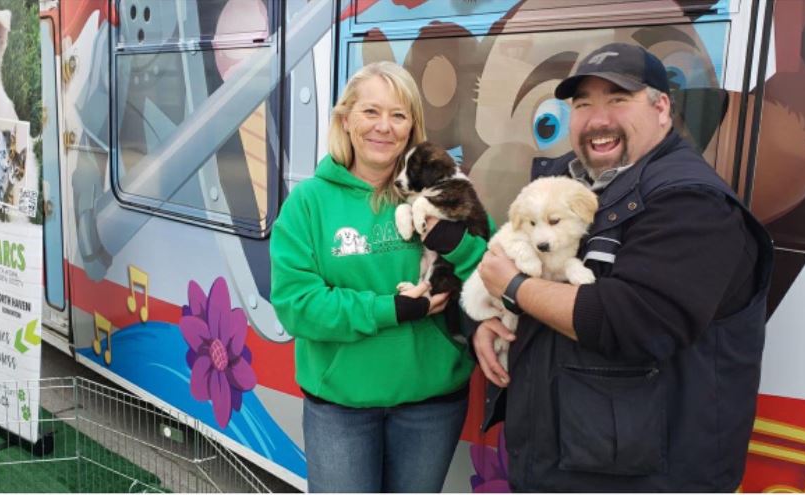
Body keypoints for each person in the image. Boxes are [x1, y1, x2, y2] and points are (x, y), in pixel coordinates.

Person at [469, 43, 774, 492]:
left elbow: (633, 320)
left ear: (662, 108)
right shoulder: (563, 183)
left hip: (641, 475)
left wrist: (513, 288)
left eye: (618, 99)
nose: (598, 119)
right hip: (562, 460)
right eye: (583, 104)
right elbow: (513, 262)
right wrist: (489, 319)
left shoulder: (692, 203)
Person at [270, 61, 487, 493]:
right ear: (345, 119)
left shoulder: (441, 191)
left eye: (398, 115)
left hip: (431, 403)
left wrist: (459, 245)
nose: (383, 127)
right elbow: (297, 306)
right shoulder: (308, 202)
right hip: (341, 408)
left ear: (412, 127)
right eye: (371, 112)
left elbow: (489, 265)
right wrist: (390, 309)